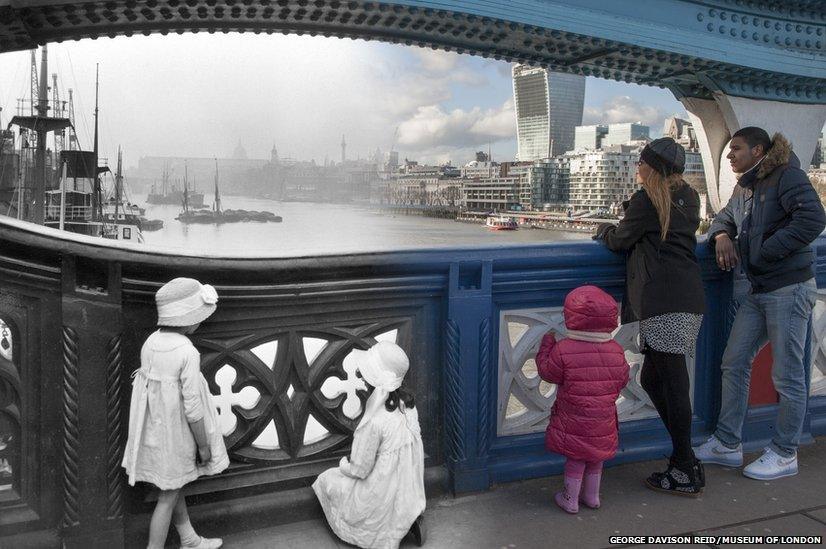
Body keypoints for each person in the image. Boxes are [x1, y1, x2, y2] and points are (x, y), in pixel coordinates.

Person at [694, 127, 826, 480]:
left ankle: (785, 452)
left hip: (789, 288)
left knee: (787, 375)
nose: (729, 156)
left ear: (758, 149)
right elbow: (723, 217)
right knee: (734, 362)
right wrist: (722, 235)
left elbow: (813, 219)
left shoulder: (787, 176)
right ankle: (727, 443)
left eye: (735, 149)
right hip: (756, 291)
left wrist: (765, 251)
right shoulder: (745, 187)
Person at [594, 137, 706, 495]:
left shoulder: (647, 200)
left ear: (651, 167)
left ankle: (684, 467)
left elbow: (620, 240)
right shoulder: (689, 197)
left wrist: (604, 230)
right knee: (654, 382)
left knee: (672, 385)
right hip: (686, 295)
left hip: (662, 300)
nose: (636, 167)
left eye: (640, 162)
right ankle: (685, 457)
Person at [122, 277, 229, 549]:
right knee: (168, 496)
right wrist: (203, 446)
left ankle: (189, 539)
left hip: (156, 433)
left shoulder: (151, 342)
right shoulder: (187, 352)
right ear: (189, 319)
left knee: (173, 485)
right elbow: (192, 407)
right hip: (178, 434)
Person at [313, 341, 426, 549]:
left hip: (381, 493)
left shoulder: (375, 420)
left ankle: (381, 528)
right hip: (409, 488)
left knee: (327, 479)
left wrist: (343, 465)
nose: (362, 377)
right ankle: (408, 518)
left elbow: (361, 470)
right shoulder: (409, 406)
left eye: (366, 374)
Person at [535, 285, 630, 514]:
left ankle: (570, 498)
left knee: (576, 458)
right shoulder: (615, 350)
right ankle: (592, 496)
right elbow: (623, 378)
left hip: (573, 417)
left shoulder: (564, 349)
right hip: (603, 417)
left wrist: (547, 346)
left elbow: (548, 373)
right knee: (596, 457)